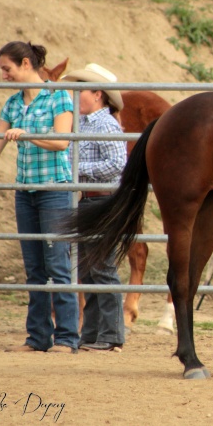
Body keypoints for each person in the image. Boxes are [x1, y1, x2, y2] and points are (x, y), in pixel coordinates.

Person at [0, 41, 79, 353]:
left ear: (26, 65)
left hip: (54, 189)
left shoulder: (58, 96)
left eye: (7, 68)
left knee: (58, 264)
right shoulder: (13, 104)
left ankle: (68, 338)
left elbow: (62, 141)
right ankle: (37, 337)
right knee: (34, 267)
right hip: (26, 191)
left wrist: (27, 136)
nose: (3, 75)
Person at [61, 63, 127, 352]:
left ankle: (110, 334)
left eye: (81, 91)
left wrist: (76, 169)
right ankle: (92, 333)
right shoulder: (87, 123)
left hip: (101, 199)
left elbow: (116, 164)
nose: (76, 96)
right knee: (89, 268)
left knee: (101, 266)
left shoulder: (105, 124)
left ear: (97, 94)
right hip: (89, 198)